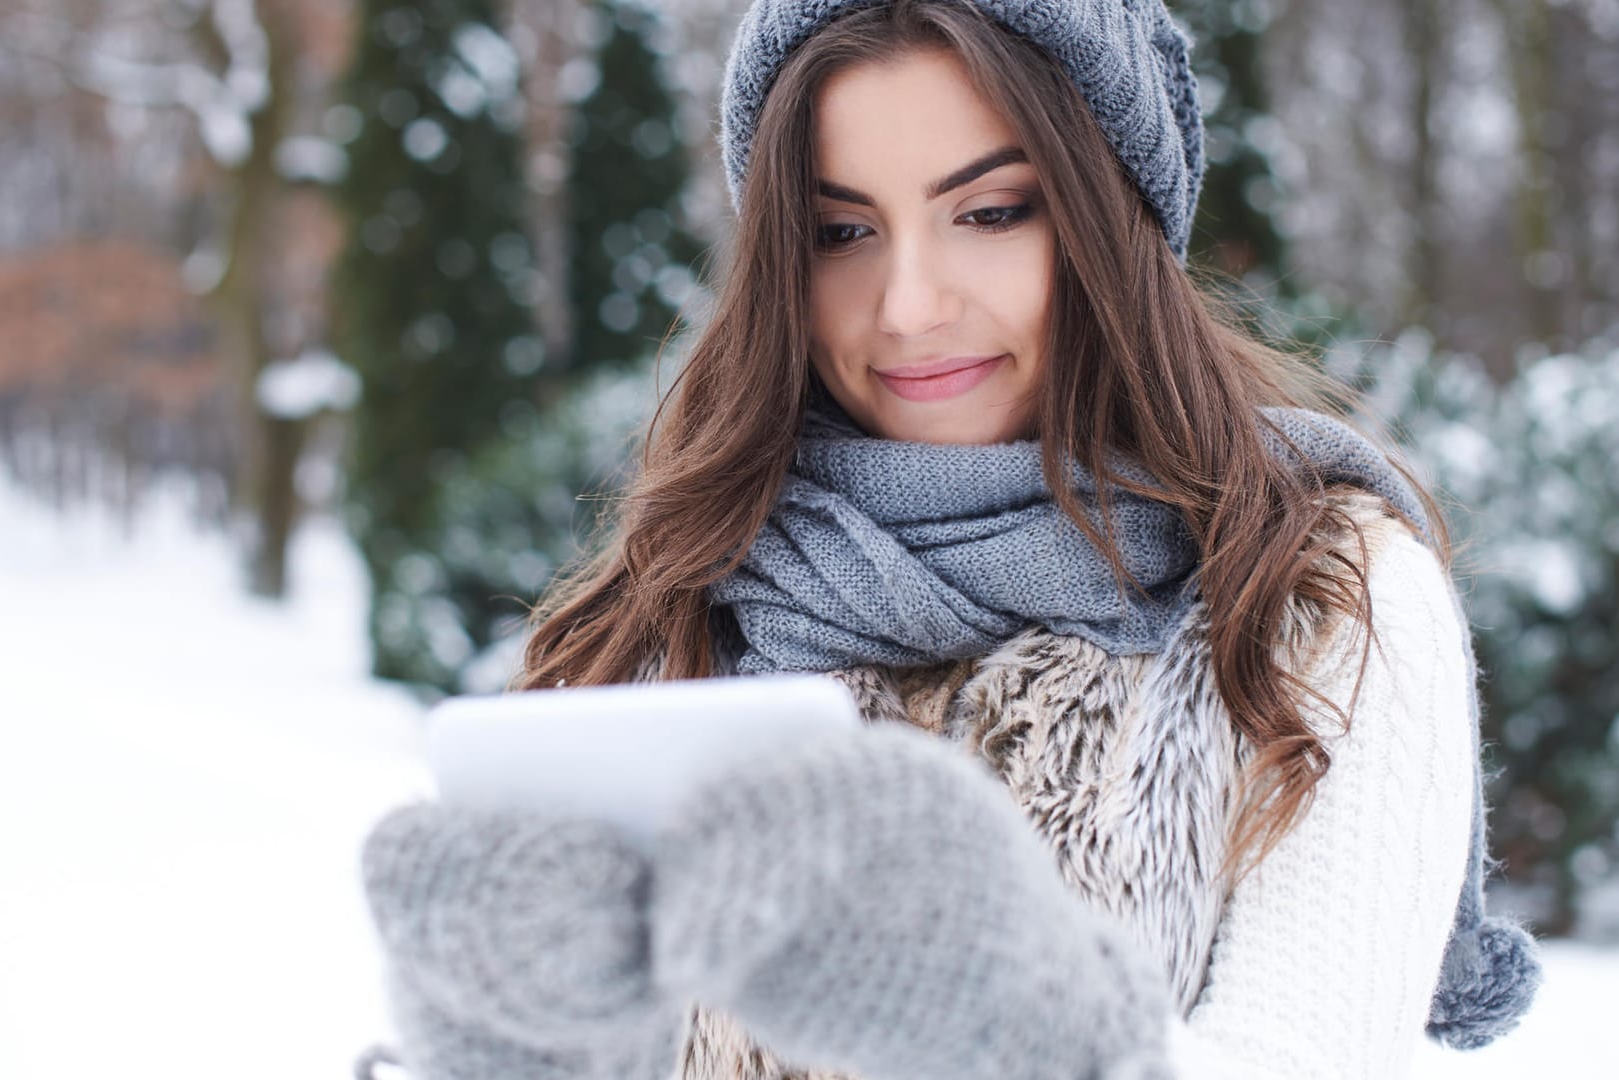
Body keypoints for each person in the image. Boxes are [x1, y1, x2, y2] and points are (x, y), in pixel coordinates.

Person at [356, 1, 1543, 1077]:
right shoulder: (676, 601)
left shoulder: (1322, 596)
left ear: (1106, 216)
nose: (911, 305)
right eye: (840, 232)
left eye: (989, 212)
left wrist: (1041, 1036)